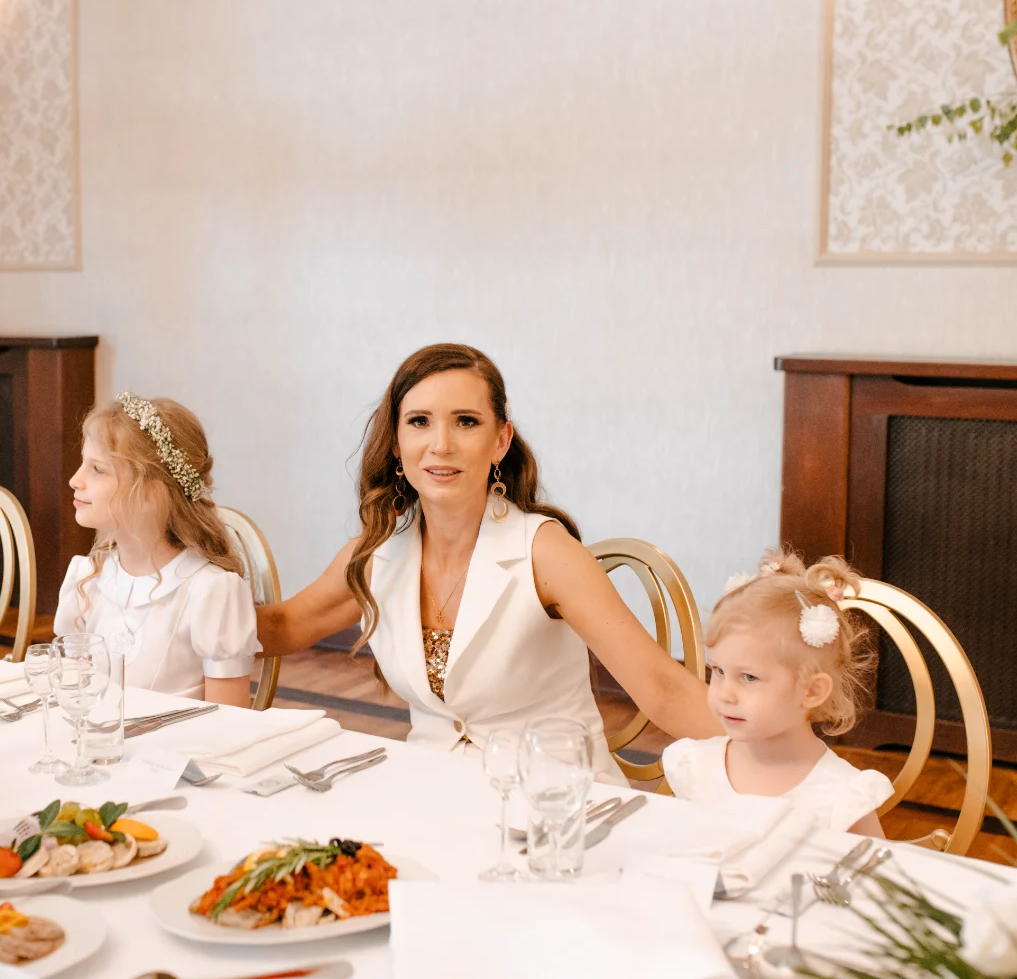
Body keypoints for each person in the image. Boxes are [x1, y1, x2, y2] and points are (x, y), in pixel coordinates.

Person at [256, 343, 718, 783]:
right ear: (396, 442)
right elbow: (285, 626)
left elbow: (663, 688)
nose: (441, 444)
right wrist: (212, 590)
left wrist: (762, 759)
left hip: (552, 803)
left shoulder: (546, 552)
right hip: (430, 792)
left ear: (500, 441)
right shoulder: (376, 553)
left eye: (466, 422)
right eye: (419, 421)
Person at [660, 550, 892, 835]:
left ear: (811, 691)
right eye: (718, 671)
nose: (725, 694)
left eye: (749, 677)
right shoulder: (697, 766)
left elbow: (871, 863)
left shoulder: (841, 796)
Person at [57, 392, 259, 706]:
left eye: (97, 469)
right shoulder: (87, 579)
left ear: (151, 492)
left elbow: (230, 722)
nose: (74, 480)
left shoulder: (211, 593)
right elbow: (71, 700)